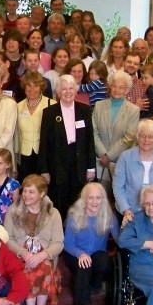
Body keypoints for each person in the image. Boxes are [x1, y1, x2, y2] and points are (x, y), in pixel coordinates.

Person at [4, 175, 64, 305]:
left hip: (45, 256)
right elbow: (6, 238)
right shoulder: (13, 210)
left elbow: (58, 243)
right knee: (28, 268)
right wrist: (23, 252)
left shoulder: (53, 213)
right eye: (25, 191)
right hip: (19, 256)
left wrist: (42, 255)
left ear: (42, 194)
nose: (26, 195)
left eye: (31, 192)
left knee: (42, 266)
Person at [38, 75, 96, 219]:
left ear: (76, 90)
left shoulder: (85, 110)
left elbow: (89, 140)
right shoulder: (49, 112)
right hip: (57, 165)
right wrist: (44, 170)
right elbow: (44, 143)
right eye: (64, 89)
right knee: (59, 204)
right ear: (58, 91)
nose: (68, 92)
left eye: (71, 88)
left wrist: (91, 168)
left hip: (79, 164)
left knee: (79, 204)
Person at [64, 182, 119, 305]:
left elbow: (120, 239)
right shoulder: (74, 215)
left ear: (103, 199)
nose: (94, 202)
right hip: (74, 253)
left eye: (98, 198)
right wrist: (80, 254)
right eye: (91, 198)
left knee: (104, 261)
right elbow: (68, 244)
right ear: (84, 199)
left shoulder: (109, 216)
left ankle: (94, 285)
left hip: (96, 253)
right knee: (84, 266)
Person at [114, 120, 153, 224]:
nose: (146, 140)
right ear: (137, 137)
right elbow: (118, 188)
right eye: (143, 136)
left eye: (151, 136)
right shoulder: (125, 157)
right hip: (129, 212)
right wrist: (126, 210)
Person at [16, 72, 55, 180]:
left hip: (44, 157)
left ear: (41, 87)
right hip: (23, 156)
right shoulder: (18, 106)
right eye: (29, 85)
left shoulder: (52, 104)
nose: (31, 89)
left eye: (36, 85)